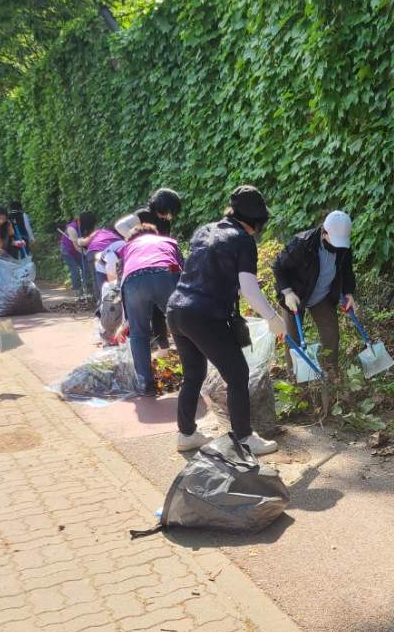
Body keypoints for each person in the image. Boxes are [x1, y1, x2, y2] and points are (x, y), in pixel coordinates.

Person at [167, 185, 288, 456]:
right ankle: (244, 437)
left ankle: (186, 434)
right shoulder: (242, 240)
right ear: (256, 221)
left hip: (176, 310)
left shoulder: (203, 231)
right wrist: (272, 317)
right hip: (204, 316)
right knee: (237, 374)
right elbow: (248, 288)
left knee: (193, 374)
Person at [272, 210, 356, 375]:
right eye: (335, 240)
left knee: (331, 333)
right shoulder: (302, 244)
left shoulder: (343, 248)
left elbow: (346, 271)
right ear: (324, 233)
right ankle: (296, 380)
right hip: (296, 296)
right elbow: (278, 266)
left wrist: (348, 293)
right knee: (294, 341)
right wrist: (287, 292)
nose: (338, 246)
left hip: (322, 296)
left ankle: (330, 373)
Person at [118, 220, 183, 396]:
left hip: (134, 280)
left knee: (139, 334)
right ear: (154, 233)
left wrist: (126, 321)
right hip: (166, 273)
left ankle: (146, 384)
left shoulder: (128, 247)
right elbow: (181, 270)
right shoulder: (168, 242)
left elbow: (122, 280)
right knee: (182, 328)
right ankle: (193, 377)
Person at [59, 212, 97, 299]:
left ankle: (89, 291)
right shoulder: (72, 228)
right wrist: (88, 254)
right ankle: (78, 292)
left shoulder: (86, 227)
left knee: (86, 268)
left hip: (81, 248)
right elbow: (76, 247)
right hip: (68, 250)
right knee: (74, 270)